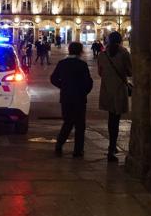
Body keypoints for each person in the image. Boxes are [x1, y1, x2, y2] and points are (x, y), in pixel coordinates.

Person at [50, 42, 93, 158]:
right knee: (80, 125)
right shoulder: (82, 64)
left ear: (69, 50)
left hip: (66, 97)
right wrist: (84, 91)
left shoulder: (62, 63)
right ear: (80, 51)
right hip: (79, 98)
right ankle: (78, 151)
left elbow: (53, 78)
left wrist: (63, 86)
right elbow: (89, 82)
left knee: (68, 122)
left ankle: (59, 145)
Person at [98, 31, 132, 162]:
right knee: (116, 119)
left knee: (111, 118)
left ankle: (112, 146)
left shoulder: (102, 54)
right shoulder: (124, 53)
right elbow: (130, 72)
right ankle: (112, 147)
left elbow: (100, 72)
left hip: (107, 89)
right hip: (119, 89)